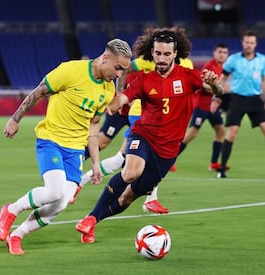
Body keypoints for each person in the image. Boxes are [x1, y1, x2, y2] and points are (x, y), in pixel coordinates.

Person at [75, 27, 223, 244]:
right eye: (157, 54)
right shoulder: (145, 79)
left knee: (126, 199)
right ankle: (89, 219)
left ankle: (94, 221)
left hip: (167, 151)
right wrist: (113, 105)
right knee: (131, 172)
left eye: (166, 54)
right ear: (151, 53)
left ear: (175, 54)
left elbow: (218, 91)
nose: (161, 59)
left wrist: (214, 83)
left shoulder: (189, 76)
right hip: (143, 135)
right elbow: (125, 97)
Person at [0, 39, 132, 255]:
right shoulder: (70, 70)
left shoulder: (107, 91)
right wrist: (15, 119)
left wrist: (95, 162)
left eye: (123, 70)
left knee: (60, 204)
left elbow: (94, 126)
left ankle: (16, 235)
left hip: (76, 149)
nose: (119, 75)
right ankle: (11, 210)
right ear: (105, 58)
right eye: (118, 68)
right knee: (54, 191)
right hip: (51, 139)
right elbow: (39, 92)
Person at [217, 30, 265, 178]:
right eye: (246, 42)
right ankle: (222, 170)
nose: (249, 45)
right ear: (242, 43)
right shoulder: (233, 59)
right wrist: (216, 97)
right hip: (237, 99)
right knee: (232, 134)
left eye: (251, 42)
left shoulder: (262, 59)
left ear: (255, 44)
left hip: (256, 99)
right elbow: (223, 78)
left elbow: (264, 80)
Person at [177, 43, 230, 171]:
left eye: (224, 52)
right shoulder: (209, 67)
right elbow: (203, 85)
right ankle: (170, 159)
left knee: (221, 131)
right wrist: (218, 89)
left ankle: (213, 163)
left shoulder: (224, 67)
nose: (222, 55)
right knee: (192, 134)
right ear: (214, 53)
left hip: (213, 107)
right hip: (202, 105)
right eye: (220, 52)